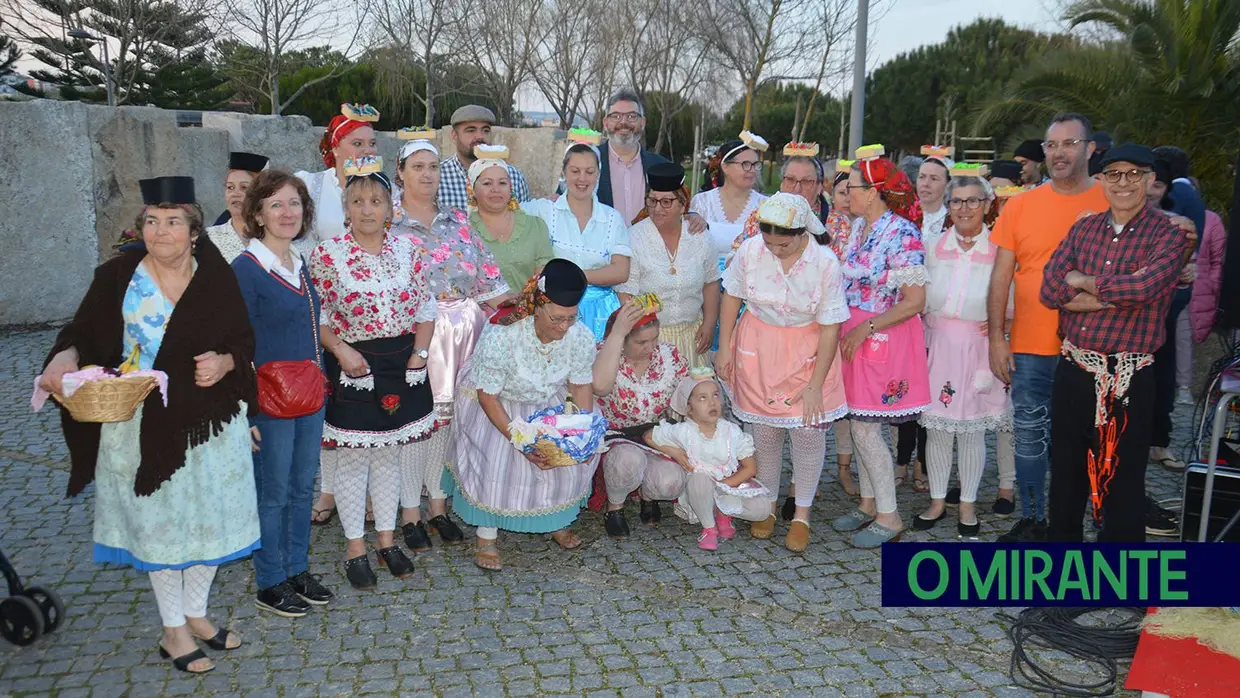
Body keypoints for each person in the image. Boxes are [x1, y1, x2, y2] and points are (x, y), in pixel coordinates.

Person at [38, 177, 258, 674]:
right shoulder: (117, 275)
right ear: (141, 228)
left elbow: (245, 341)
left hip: (209, 424)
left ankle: (197, 614)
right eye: (152, 222)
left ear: (194, 230)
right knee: (162, 529)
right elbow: (79, 334)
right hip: (139, 424)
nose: (161, 232)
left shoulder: (217, 274)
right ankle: (172, 629)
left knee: (212, 520)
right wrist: (65, 358)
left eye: (173, 222)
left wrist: (225, 362)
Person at [1039, 143, 1191, 542]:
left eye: (1134, 174)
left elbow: (1144, 287)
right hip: (1075, 370)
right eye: (1114, 174)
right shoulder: (1083, 228)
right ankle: (1062, 571)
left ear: (1150, 180)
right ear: (1102, 180)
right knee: (1067, 473)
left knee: (1124, 480)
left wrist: (1084, 282)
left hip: (1129, 377)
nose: (1124, 183)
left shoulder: (1168, 234)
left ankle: (1118, 579)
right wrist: (1115, 296)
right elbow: (1050, 288)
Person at [308, 157, 439, 590]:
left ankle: (386, 540)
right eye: (359, 200)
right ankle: (354, 548)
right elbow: (318, 316)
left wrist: (420, 354)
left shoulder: (410, 250)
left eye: (376, 200)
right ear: (346, 208)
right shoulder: (327, 255)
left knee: (389, 456)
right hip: (353, 364)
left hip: (403, 363)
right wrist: (341, 350)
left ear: (391, 207)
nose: (368, 209)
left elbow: (425, 308)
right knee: (353, 459)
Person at [987, 113, 1109, 543]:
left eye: (1069, 144)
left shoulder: (1111, 202)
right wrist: (997, 340)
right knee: (1030, 438)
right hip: (1030, 347)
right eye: (1051, 145)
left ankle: (1089, 524)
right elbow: (1001, 276)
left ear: (1090, 149)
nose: (1058, 153)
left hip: (1095, 348)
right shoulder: (1020, 205)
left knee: (1092, 441)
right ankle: (1035, 520)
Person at [389, 136, 510, 550]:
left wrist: (525, 308)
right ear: (400, 173)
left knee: (451, 422)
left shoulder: (458, 220)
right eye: (417, 166)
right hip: (413, 335)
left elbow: (488, 281)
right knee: (414, 424)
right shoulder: (387, 221)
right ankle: (409, 512)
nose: (426, 174)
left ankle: (438, 505)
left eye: (433, 167)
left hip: (464, 333)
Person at [717, 193, 850, 552]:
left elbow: (830, 328)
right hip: (759, 346)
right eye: (769, 242)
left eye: (783, 243)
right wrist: (726, 346)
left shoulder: (825, 263)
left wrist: (815, 385)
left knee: (807, 432)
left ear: (801, 231)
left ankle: (802, 513)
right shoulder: (750, 251)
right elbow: (731, 295)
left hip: (809, 351)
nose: (774, 249)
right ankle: (768, 506)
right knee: (764, 432)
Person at [448, 259, 599, 571]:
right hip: (499, 401)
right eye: (557, 319)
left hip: (549, 398)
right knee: (499, 463)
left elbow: (581, 386)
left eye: (571, 318)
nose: (564, 327)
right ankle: (486, 535)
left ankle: (555, 519)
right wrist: (521, 441)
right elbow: (487, 396)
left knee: (562, 458)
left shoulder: (579, 336)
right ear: (538, 305)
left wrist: (579, 433)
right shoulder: (502, 335)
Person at [232, 169, 334, 617]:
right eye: (275, 204)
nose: (287, 212)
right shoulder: (246, 270)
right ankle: (269, 579)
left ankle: (297, 568)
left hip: (308, 396)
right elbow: (232, 344)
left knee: (299, 488)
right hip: (267, 403)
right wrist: (242, 410)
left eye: (294, 203)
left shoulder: (299, 262)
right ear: (257, 214)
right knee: (270, 493)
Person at [831, 147, 930, 549]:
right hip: (858, 336)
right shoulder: (860, 228)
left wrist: (866, 327)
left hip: (883, 336)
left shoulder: (903, 233)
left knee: (866, 427)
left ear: (872, 191)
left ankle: (890, 515)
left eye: (851, 186)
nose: (845, 192)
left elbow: (914, 301)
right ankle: (871, 502)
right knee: (859, 423)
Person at [915, 171, 1013, 537]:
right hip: (938, 347)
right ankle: (938, 500)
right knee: (938, 430)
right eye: (957, 201)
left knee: (972, 431)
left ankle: (968, 504)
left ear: (987, 205)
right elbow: (918, 298)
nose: (964, 208)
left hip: (979, 350)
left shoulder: (1001, 249)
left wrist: (1004, 324)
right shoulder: (932, 246)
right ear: (948, 206)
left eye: (973, 200)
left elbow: (1013, 301)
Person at [297, 105, 380, 527]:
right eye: (355, 142)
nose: (364, 149)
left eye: (370, 143)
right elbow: (299, 245)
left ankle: (371, 490)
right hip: (328, 309)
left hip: (371, 311)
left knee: (370, 402)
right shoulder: (312, 186)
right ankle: (328, 490)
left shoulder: (383, 188)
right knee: (332, 402)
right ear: (334, 146)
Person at [645, 371, 775, 550]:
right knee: (699, 478)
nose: (712, 402)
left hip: (727, 486)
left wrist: (725, 485)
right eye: (702, 398)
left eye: (715, 395)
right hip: (698, 493)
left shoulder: (731, 431)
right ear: (689, 408)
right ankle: (709, 527)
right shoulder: (684, 431)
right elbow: (649, 435)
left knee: (764, 509)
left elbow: (750, 468)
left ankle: (723, 513)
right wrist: (672, 451)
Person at [592, 302, 690, 537]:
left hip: (656, 434)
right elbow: (598, 387)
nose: (650, 347)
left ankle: (649, 495)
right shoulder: (604, 354)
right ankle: (615, 507)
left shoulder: (669, 355)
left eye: (654, 339)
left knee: (671, 482)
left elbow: (688, 393)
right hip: (617, 434)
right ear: (622, 338)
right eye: (641, 342)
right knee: (628, 461)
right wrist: (616, 337)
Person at [523, 138, 631, 340]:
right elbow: (505, 210)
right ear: (563, 173)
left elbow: (621, 271)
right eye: (575, 171)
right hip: (553, 314)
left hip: (600, 314)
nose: (582, 178)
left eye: (589, 172)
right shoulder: (544, 210)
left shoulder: (612, 218)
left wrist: (571, 276)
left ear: (598, 174)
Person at [616, 162, 720, 367]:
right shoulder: (634, 238)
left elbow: (711, 282)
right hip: (650, 339)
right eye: (652, 201)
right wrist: (642, 334)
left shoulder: (700, 236)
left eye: (666, 202)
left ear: (683, 204)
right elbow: (626, 293)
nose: (657, 209)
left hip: (693, 336)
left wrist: (709, 324)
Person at [1149, 144, 1206, 470]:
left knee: (1163, 376)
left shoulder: (1177, 224)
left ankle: (1159, 442)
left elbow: (1189, 265)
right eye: (1147, 182)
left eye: (1157, 185)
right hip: (1122, 323)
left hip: (1164, 313)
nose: (1149, 191)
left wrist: (1187, 269)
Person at [466, 145, 554, 292]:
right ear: (473, 190)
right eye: (487, 183)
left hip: (527, 311)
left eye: (502, 183)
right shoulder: (464, 231)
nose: (496, 189)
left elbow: (544, 281)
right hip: (478, 314)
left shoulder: (534, 226)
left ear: (511, 188)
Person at [691, 133, 769, 273]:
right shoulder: (701, 202)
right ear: (725, 167)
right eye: (745, 164)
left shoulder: (767, 206)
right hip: (705, 285)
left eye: (755, 164)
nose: (751, 170)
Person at [596, 88, 671, 224]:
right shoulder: (589, 163)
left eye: (631, 116)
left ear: (642, 123)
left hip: (648, 244)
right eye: (616, 116)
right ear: (605, 123)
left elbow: (679, 208)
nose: (624, 122)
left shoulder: (663, 167)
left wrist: (692, 215)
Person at [438, 105, 531, 211]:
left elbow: (525, 221)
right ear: (454, 136)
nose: (480, 136)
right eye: (471, 130)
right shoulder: (438, 177)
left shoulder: (513, 176)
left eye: (485, 130)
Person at [206, 152, 269, 261]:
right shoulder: (209, 238)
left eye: (244, 187)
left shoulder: (273, 235)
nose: (235, 193)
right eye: (230, 187)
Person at [916, 147, 954, 249]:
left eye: (934, 179)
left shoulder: (953, 221)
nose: (926, 184)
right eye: (922, 177)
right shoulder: (904, 214)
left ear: (948, 184)